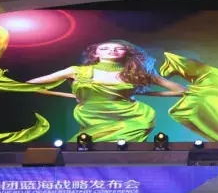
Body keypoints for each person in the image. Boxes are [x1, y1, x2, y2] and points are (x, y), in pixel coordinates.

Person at [27, 40, 186, 142]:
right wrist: (75, 96)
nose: (112, 51)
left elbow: (180, 90)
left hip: (132, 119)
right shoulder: (77, 71)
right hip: (93, 119)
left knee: (124, 157)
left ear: (127, 53)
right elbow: (29, 85)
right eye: (104, 48)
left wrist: (140, 93)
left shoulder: (136, 72)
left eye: (119, 48)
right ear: (96, 53)